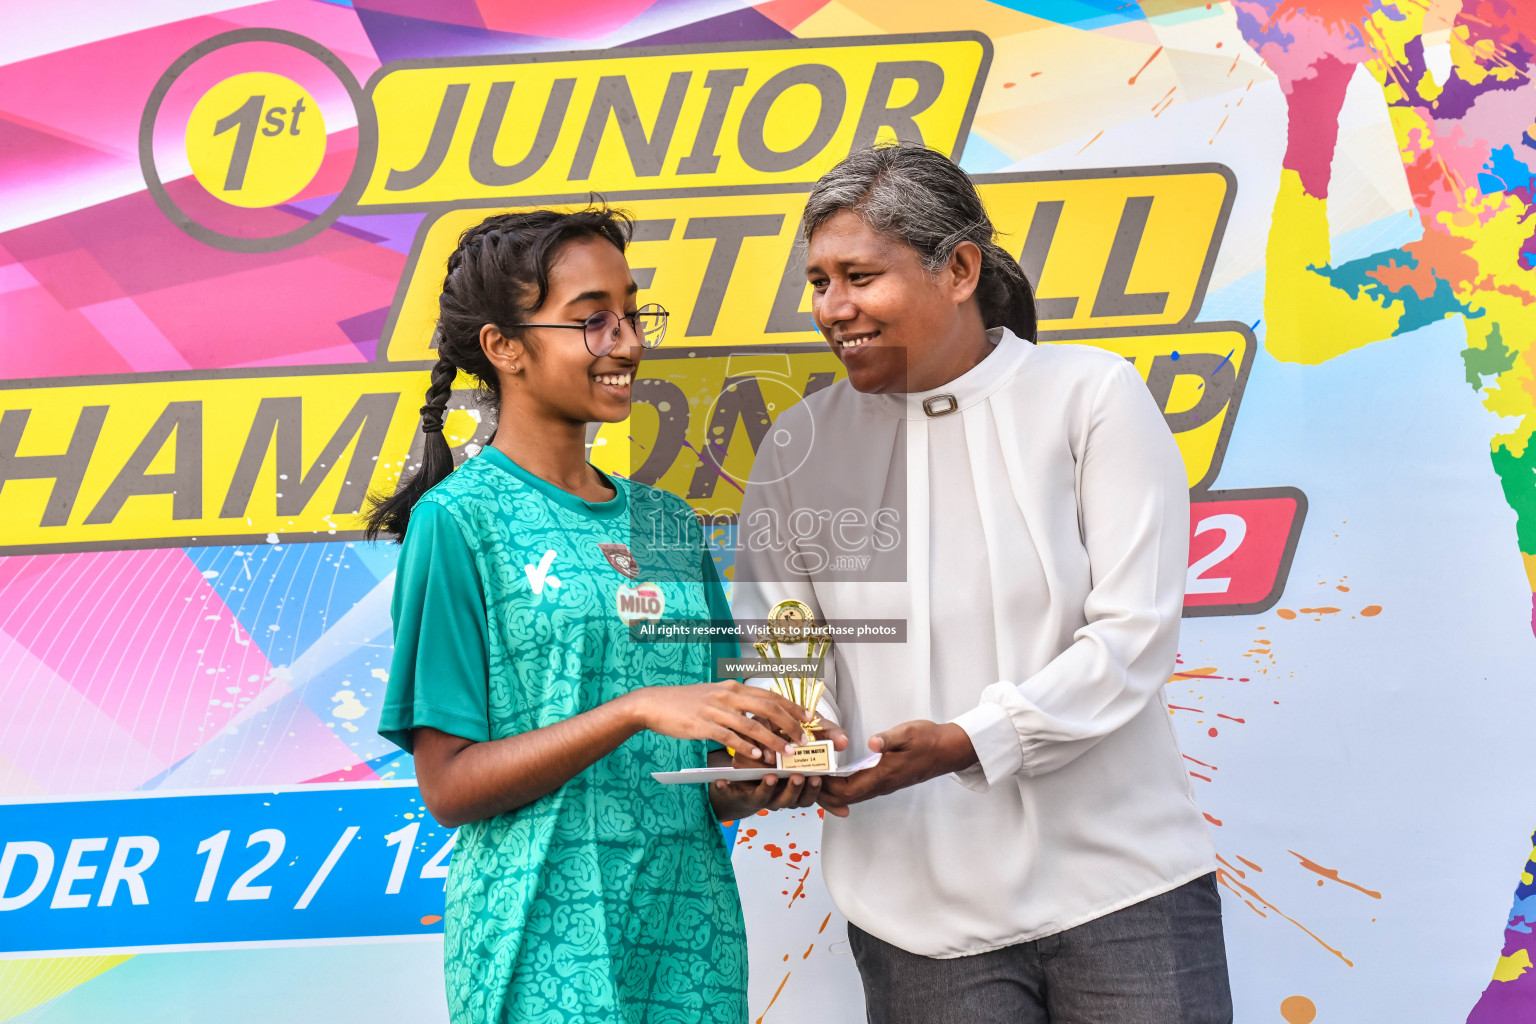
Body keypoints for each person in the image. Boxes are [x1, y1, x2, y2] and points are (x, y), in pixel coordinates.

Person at [732, 145, 1232, 1023]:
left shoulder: (1091, 397)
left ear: (958, 269)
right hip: (913, 916)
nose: (832, 309)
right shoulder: (796, 449)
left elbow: (1131, 641)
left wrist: (966, 740)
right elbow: (786, 651)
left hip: (1123, 891)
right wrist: (796, 744)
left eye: (858, 276)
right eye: (817, 281)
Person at [369, 208, 813, 1024]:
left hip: (688, 938)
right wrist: (633, 710)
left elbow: (704, 773)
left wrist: (757, 777)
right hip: (542, 946)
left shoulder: (672, 525)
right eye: (591, 320)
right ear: (504, 347)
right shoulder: (458, 521)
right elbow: (451, 787)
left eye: (632, 313)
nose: (629, 342)